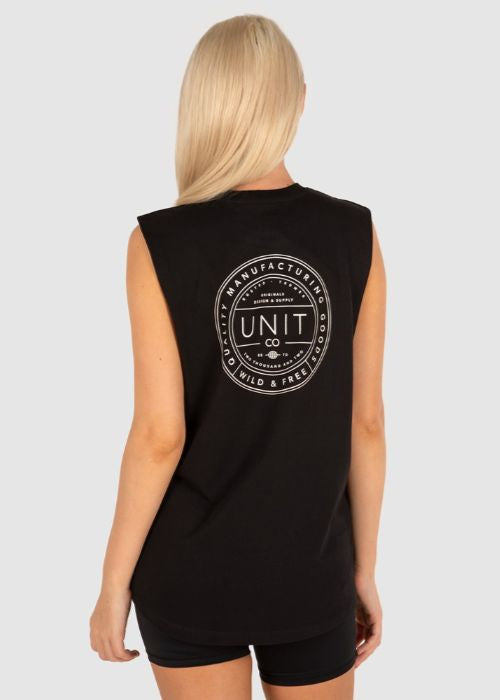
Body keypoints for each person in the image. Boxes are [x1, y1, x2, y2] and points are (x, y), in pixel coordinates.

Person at [89, 14, 386, 700]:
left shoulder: (158, 243)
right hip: (310, 573)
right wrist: (362, 569)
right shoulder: (354, 233)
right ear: (298, 100)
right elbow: (366, 422)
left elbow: (159, 436)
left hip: (189, 575)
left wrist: (112, 584)